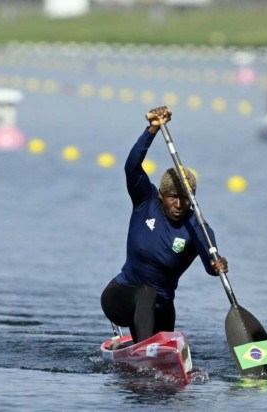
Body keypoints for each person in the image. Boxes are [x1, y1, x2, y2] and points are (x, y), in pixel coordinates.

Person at [101, 106, 228, 344]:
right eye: (173, 197)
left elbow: (210, 263)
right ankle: (145, 352)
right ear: (161, 195)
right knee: (146, 292)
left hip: (161, 307)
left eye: (185, 198)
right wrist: (152, 130)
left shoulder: (198, 227)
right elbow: (131, 167)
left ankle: (148, 353)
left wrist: (217, 265)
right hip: (121, 295)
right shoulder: (145, 201)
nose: (179, 203)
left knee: (161, 309)